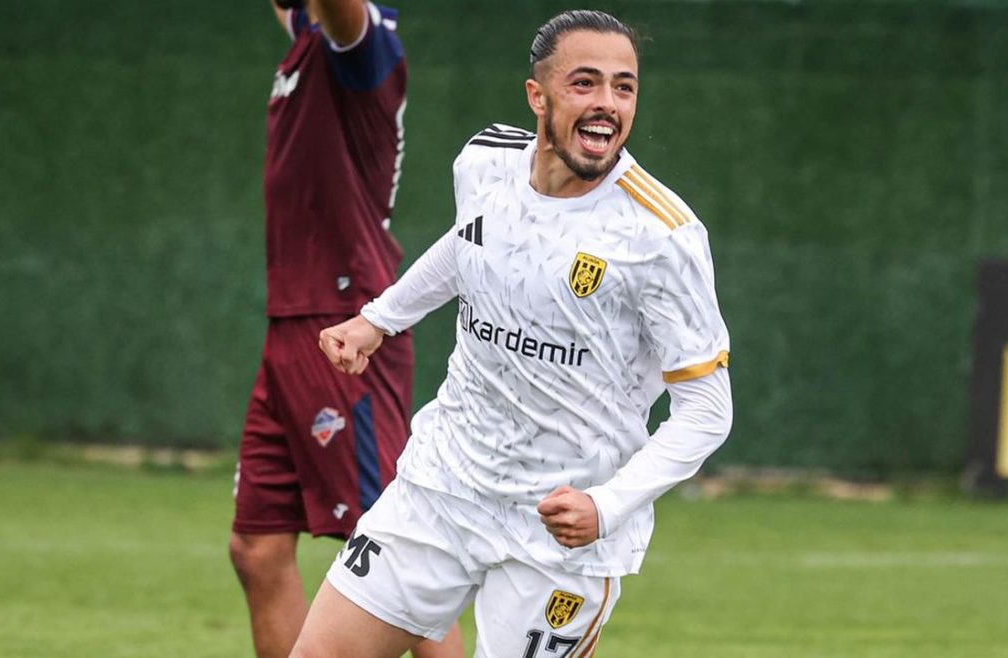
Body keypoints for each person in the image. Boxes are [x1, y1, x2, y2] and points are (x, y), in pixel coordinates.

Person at [295, 9, 733, 658]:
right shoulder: (485, 162)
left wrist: (608, 506)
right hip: (442, 487)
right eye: (584, 82)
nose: (608, 103)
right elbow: (469, 240)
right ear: (538, 95)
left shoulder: (663, 235)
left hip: (560, 529)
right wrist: (379, 318)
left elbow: (707, 410)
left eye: (624, 87)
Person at [228, 1, 463, 657]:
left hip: (345, 326)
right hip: (291, 327)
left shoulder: (362, 41)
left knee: (396, 551)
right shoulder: (308, 37)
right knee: (257, 546)